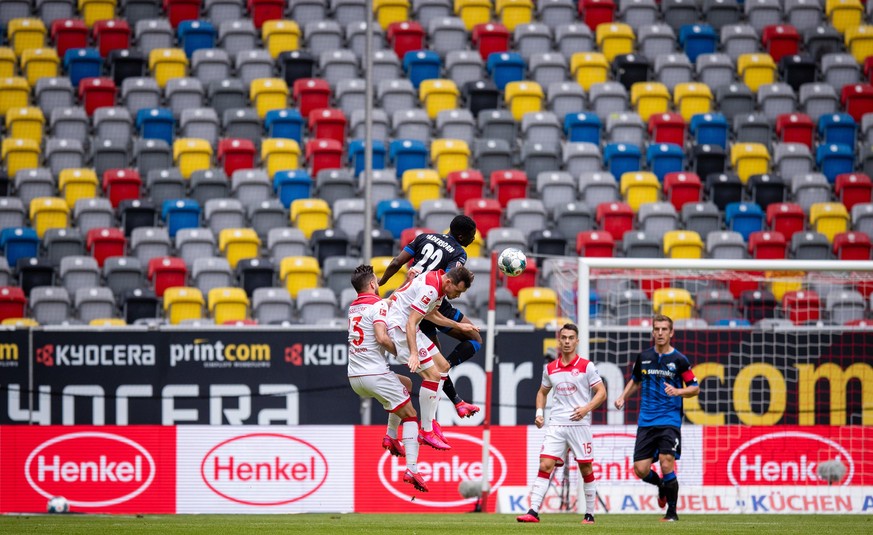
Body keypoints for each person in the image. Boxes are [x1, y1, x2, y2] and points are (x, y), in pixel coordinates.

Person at [378, 215, 482, 418]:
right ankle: (447, 375)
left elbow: (397, 261)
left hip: (412, 303)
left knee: (436, 360)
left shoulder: (424, 237)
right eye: (471, 235)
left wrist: (381, 283)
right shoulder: (459, 253)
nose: (473, 239)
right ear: (461, 236)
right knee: (475, 340)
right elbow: (450, 280)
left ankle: (456, 400)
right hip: (433, 303)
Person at [347, 265, 428, 492]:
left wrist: (406, 281)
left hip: (355, 377)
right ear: (373, 284)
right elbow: (382, 337)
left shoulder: (354, 308)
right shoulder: (378, 305)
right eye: (377, 281)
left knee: (406, 384)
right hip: (375, 374)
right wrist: (404, 353)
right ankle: (412, 468)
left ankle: (391, 436)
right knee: (411, 416)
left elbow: (389, 302)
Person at [517, 323, 606, 525]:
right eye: (563, 337)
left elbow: (602, 392)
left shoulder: (587, 366)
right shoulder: (550, 368)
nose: (567, 341)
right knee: (545, 464)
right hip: (556, 424)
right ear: (559, 340)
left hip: (579, 425)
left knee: (586, 469)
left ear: (577, 341)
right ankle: (533, 511)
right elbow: (542, 392)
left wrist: (586, 409)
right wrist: (539, 413)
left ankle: (589, 514)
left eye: (570, 338)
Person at [614, 314, 700, 522]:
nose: (660, 333)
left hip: (669, 420)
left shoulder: (679, 360)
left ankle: (671, 513)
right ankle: (662, 486)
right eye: (657, 329)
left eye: (664, 329)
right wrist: (622, 396)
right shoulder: (643, 357)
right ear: (653, 332)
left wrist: (678, 392)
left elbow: (695, 388)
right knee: (641, 469)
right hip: (646, 421)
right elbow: (635, 381)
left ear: (671, 333)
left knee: (666, 461)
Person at [386, 265, 477, 450]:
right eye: (458, 291)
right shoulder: (431, 288)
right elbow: (411, 321)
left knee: (443, 366)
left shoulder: (440, 281)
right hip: (401, 329)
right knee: (432, 376)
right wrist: (413, 353)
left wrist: (460, 327)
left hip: (411, 326)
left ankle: (431, 421)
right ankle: (426, 430)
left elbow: (432, 315)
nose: (458, 296)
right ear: (450, 282)